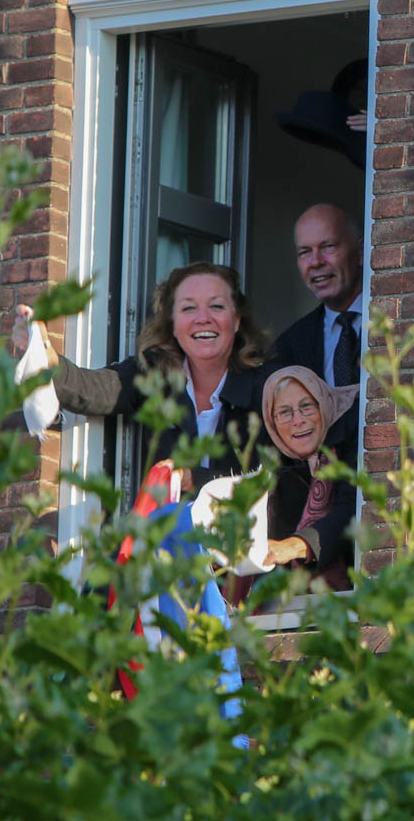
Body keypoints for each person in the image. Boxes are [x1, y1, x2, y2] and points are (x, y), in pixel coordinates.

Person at [26, 262, 274, 472]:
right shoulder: (154, 373)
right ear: (172, 324)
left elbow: (278, 481)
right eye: (188, 308)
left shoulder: (267, 389)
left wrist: (194, 479)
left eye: (216, 306)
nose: (202, 318)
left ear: (236, 320)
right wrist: (44, 352)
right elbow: (91, 389)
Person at [233, 366, 359, 600]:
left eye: (307, 406)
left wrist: (296, 545)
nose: (298, 420)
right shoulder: (271, 467)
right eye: (284, 412)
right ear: (272, 422)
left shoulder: (352, 443)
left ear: (323, 404)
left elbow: (353, 511)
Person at [272, 203, 364, 460]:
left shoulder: (394, 325)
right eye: (305, 252)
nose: (316, 262)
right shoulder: (289, 345)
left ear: (360, 251)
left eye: (328, 247)